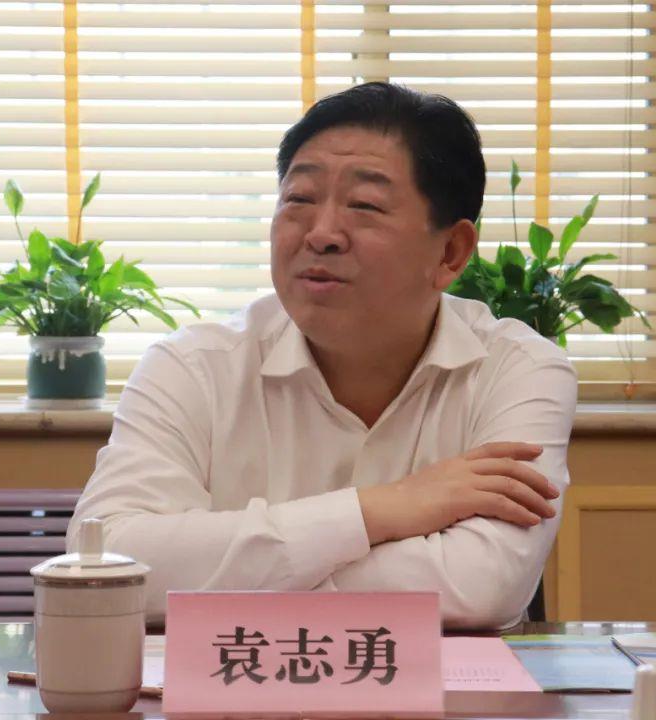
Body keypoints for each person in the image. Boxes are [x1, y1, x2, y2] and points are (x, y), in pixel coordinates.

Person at [67, 82, 577, 630]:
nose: (322, 233)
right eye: (299, 200)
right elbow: (109, 562)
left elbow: (483, 586)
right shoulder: (191, 368)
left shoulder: (517, 370)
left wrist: (234, 575)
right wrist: (380, 509)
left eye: (365, 206)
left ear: (450, 253)